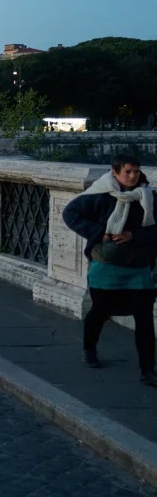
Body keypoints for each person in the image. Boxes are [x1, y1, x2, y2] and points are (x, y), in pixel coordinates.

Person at [63, 154, 157, 386]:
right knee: (100, 311)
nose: (133, 176)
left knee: (144, 319)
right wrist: (100, 233)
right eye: (127, 172)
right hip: (106, 266)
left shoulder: (149, 196)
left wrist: (133, 235)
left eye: (136, 171)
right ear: (114, 172)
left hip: (139, 266)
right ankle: (89, 350)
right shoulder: (101, 195)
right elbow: (70, 214)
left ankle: (148, 369)